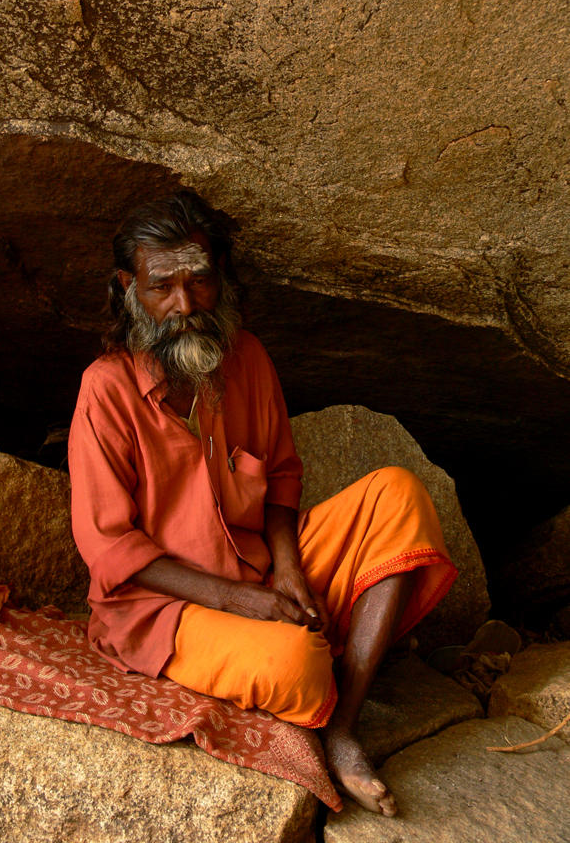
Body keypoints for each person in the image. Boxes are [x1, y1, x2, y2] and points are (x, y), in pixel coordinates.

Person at [68, 189, 456, 817]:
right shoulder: (106, 390)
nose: (184, 305)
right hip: (162, 609)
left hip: (262, 568)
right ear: (128, 286)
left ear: (222, 277)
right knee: (296, 662)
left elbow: (279, 480)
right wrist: (246, 602)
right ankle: (317, 669)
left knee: (399, 493)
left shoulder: (247, 357)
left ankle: (341, 727)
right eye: (162, 286)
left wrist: (289, 572)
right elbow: (109, 546)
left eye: (200, 281)